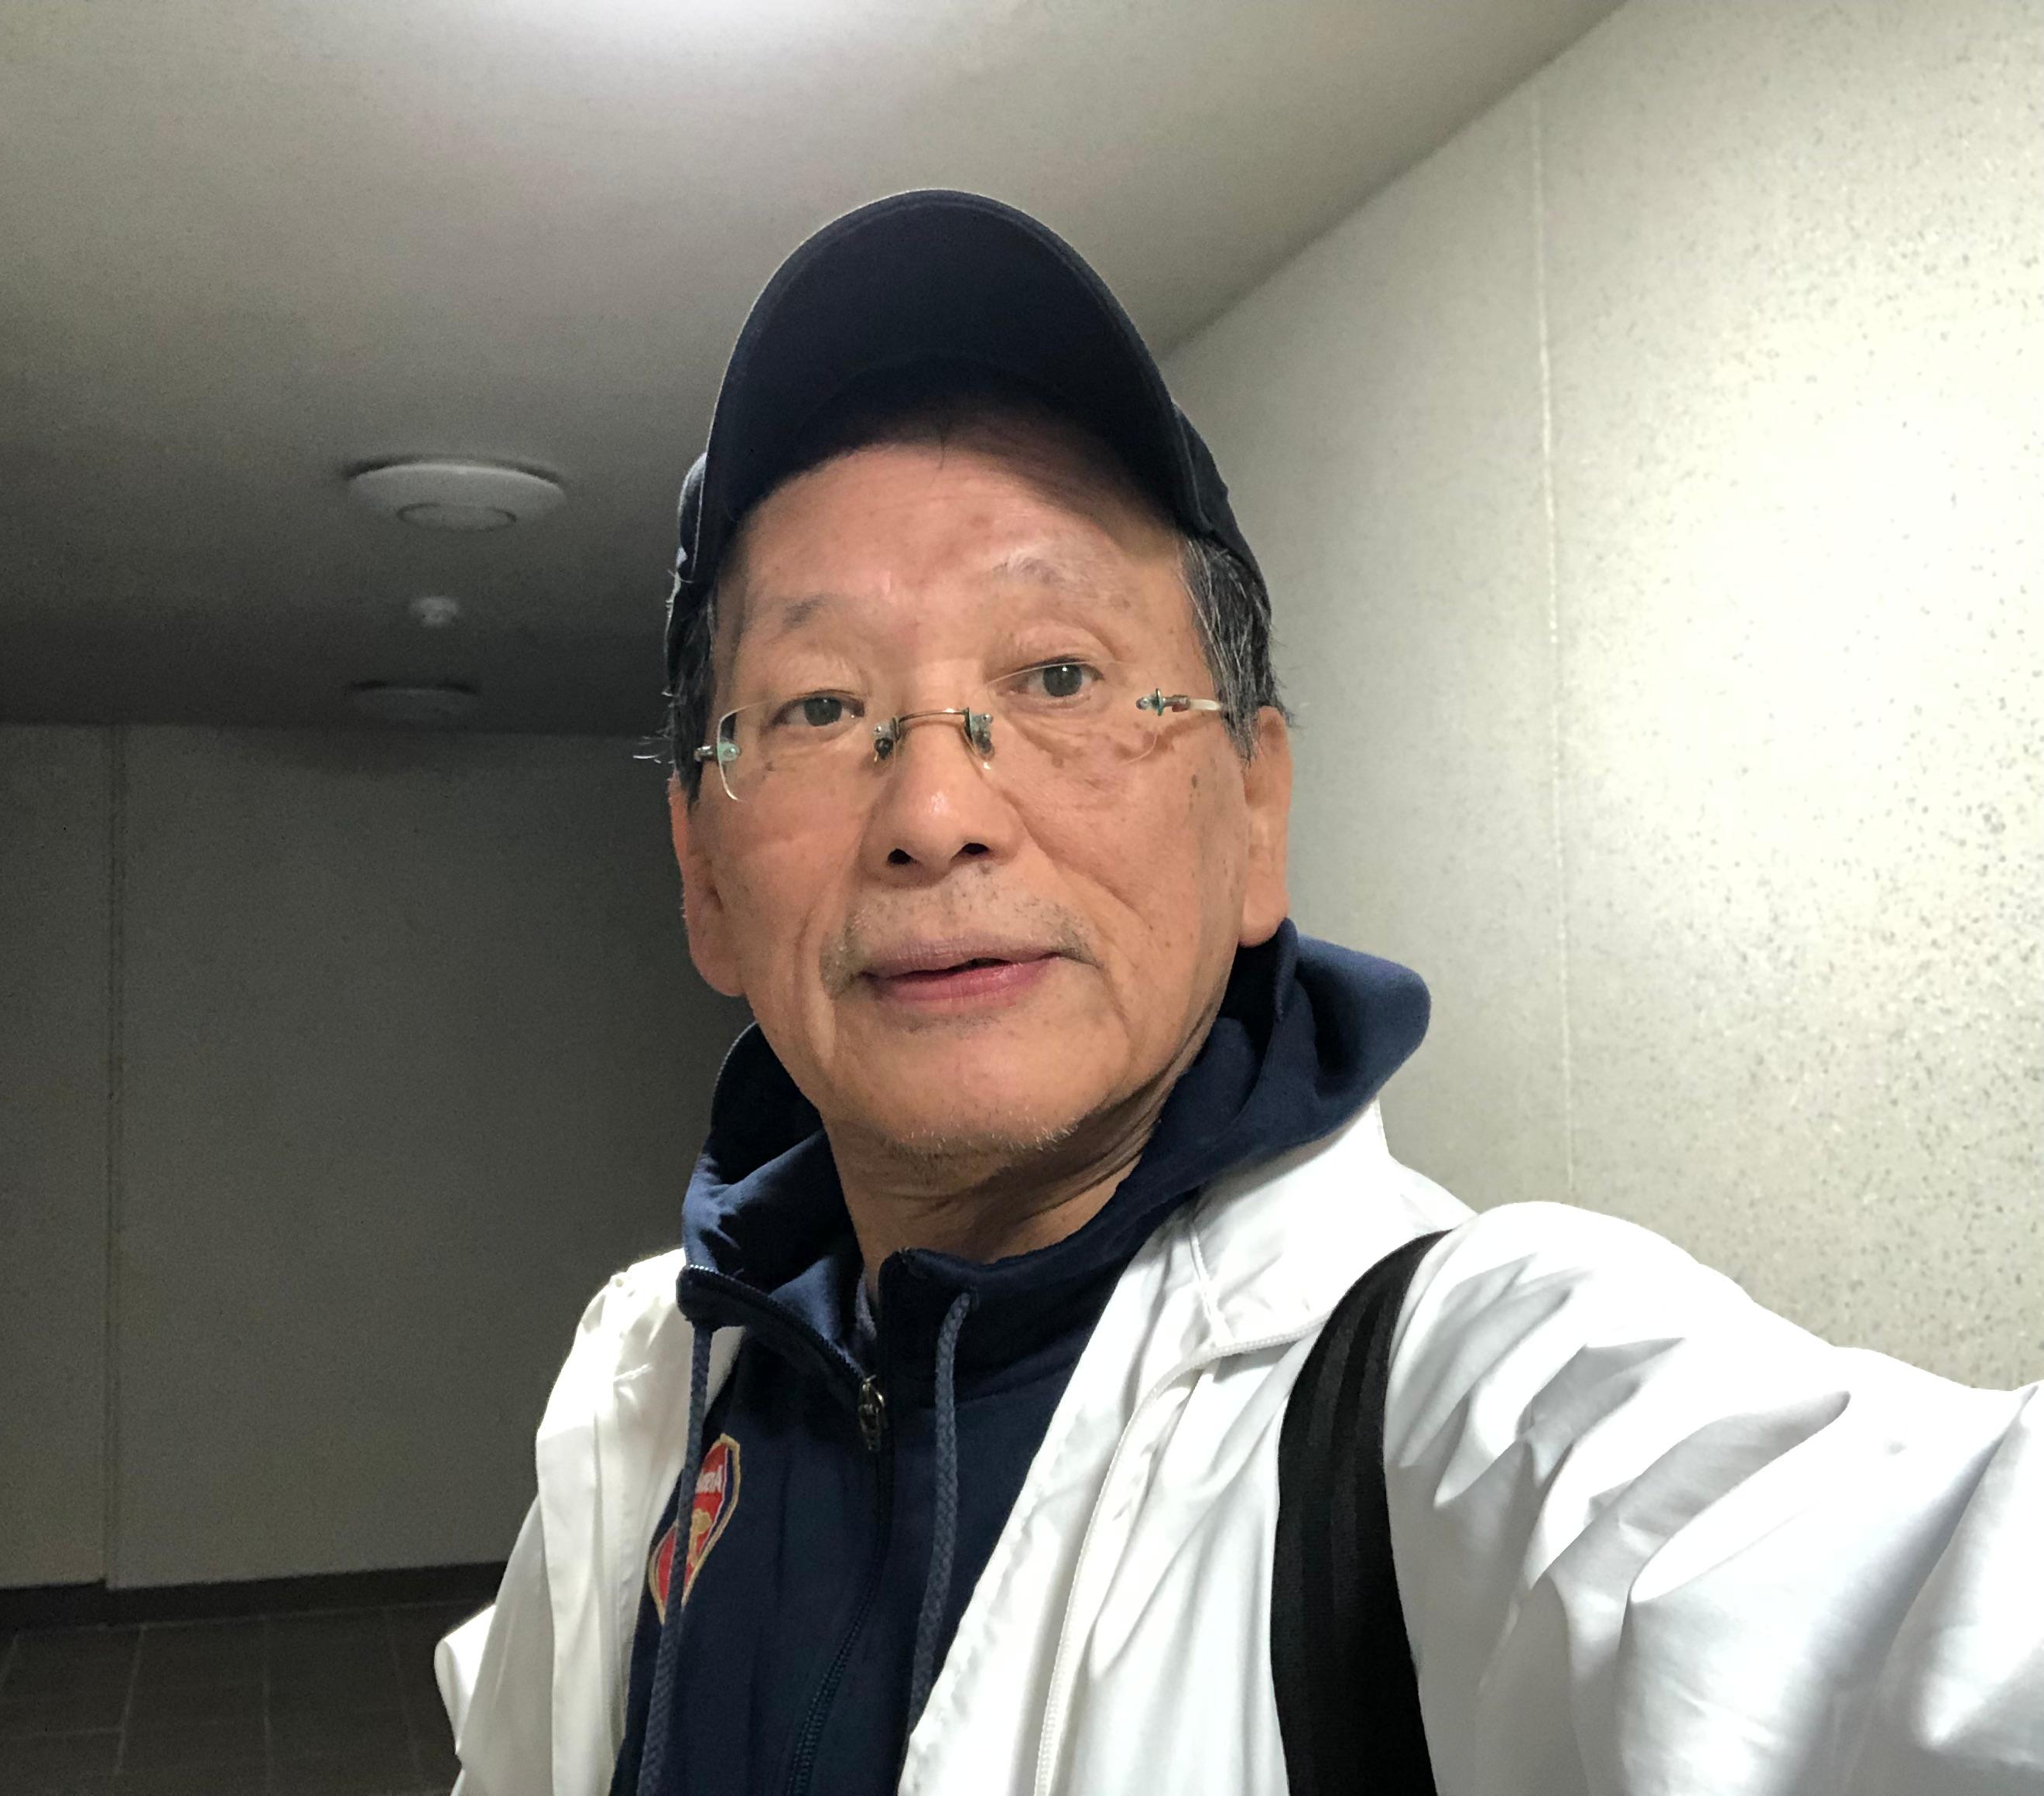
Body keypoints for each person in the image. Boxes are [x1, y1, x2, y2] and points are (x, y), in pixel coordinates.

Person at [437, 190, 2043, 1796]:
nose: (932, 810)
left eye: (1055, 675)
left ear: (1255, 809)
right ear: (703, 874)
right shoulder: (647, 1389)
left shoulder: (1456, 1406)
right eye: (816, 705)